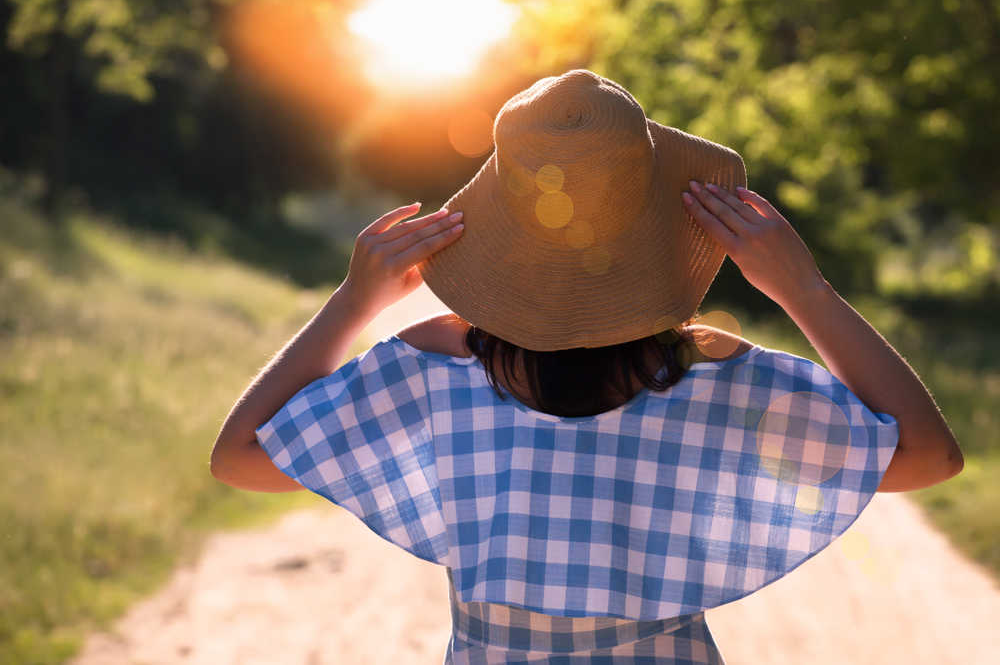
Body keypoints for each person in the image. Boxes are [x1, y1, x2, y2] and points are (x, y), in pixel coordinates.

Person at [211, 70, 963, 664]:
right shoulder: (705, 374)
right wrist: (804, 288)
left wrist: (352, 301)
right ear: (662, 218)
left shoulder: (434, 371)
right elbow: (928, 454)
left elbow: (241, 456)